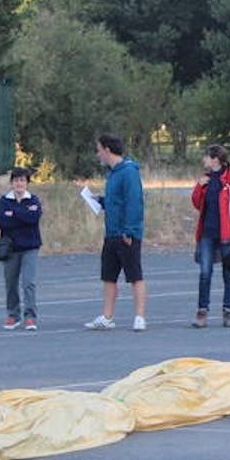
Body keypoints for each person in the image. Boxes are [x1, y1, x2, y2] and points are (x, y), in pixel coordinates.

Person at [82, 133, 148, 332]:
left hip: (126, 233)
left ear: (107, 150)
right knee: (108, 276)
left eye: (99, 150)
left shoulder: (129, 172)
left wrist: (129, 230)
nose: (98, 154)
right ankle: (107, 316)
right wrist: (100, 201)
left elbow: (134, 202)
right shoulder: (112, 173)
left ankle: (140, 317)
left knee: (135, 275)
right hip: (111, 232)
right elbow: (116, 200)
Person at [190, 143, 230, 328]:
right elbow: (197, 204)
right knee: (205, 273)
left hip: (226, 235)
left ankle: (228, 312)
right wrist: (199, 187)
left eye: (206, 156)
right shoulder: (205, 179)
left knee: (228, 274)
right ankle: (202, 312)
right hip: (207, 233)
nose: (203, 160)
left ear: (215, 159)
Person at [0, 166, 43, 331]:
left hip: (30, 247)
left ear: (27, 183)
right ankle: (13, 315)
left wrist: (14, 213)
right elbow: (3, 222)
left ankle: (30, 317)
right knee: (11, 283)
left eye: (22, 180)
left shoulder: (34, 200)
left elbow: (33, 219)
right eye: (16, 180)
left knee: (28, 283)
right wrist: (21, 214)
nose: (19, 183)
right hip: (10, 249)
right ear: (12, 183)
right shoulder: (4, 201)